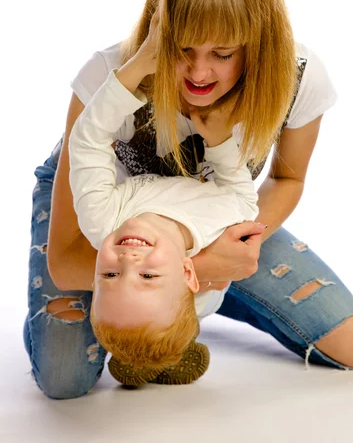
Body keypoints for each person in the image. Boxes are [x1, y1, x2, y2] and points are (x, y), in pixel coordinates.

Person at [24, 0, 353, 400]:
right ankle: (170, 303)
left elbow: (286, 180)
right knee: (65, 380)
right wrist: (201, 265)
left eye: (222, 54)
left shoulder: (298, 77)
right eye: (182, 49)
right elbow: (68, 260)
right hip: (105, 219)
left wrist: (230, 250)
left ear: (258, 43)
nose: (198, 72)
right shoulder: (110, 78)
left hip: (212, 216)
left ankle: (186, 309)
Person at [68, 45, 259, 374]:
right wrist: (219, 141)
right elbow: (243, 195)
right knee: (181, 316)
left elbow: (89, 140)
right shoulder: (217, 221)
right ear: (189, 272)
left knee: (148, 322)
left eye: (109, 275)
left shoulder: (101, 221)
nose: (128, 262)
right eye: (147, 275)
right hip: (207, 296)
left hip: (177, 296)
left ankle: (137, 356)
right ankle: (168, 350)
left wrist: (136, 68)